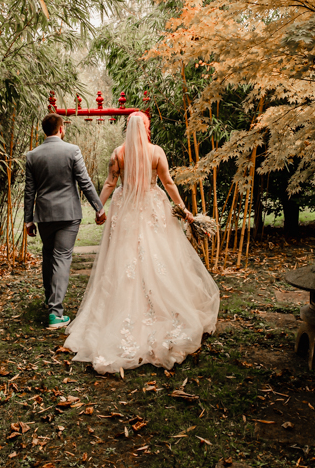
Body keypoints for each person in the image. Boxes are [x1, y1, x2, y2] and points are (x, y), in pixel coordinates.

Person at [64, 112, 220, 373]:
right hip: (151, 207)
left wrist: (99, 209)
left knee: (125, 259)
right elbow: (168, 183)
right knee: (158, 256)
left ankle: (125, 311)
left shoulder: (118, 153)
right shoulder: (156, 152)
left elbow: (110, 183)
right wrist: (184, 209)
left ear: (127, 128)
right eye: (147, 125)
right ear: (145, 127)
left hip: (126, 210)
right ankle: (157, 305)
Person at [24, 114, 106, 330]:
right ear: (61, 129)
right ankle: (55, 313)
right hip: (68, 215)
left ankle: (50, 301)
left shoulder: (32, 155)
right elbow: (85, 183)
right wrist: (99, 207)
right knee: (61, 257)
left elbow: (29, 191)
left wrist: (28, 220)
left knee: (48, 256)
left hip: (44, 215)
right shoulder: (72, 151)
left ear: (44, 131)